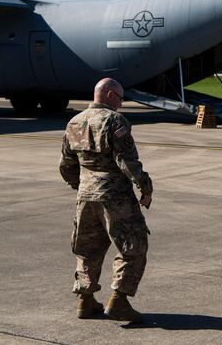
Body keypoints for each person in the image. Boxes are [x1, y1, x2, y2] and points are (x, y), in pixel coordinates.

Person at [59, 78, 153, 322]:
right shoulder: (115, 121)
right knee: (133, 246)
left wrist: (81, 186)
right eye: (121, 98)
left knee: (88, 249)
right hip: (115, 197)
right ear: (110, 95)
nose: (121, 104)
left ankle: (85, 301)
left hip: (86, 196)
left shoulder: (74, 122)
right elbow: (127, 161)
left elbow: (66, 164)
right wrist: (145, 186)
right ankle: (119, 301)